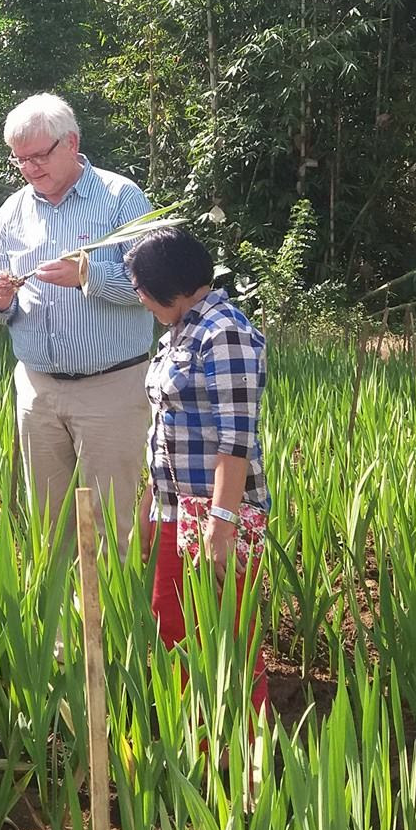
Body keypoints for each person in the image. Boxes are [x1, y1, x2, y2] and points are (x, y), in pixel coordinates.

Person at [0, 94, 153, 552]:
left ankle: (103, 623)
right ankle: (57, 624)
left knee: (107, 526)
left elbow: (153, 289)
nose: (31, 168)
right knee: (48, 525)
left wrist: (87, 277)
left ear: (71, 142)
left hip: (111, 387)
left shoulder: (120, 198)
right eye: (21, 160)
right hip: (37, 389)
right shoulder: (12, 211)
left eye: (40, 155)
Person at [125, 226, 272, 711]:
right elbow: (163, 433)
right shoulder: (179, 332)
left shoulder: (223, 332)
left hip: (213, 513)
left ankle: (241, 752)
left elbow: (236, 440)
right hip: (174, 509)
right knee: (172, 627)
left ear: (167, 286)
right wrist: (149, 507)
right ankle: (190, 744)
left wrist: (220, 526)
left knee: (225, 633)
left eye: (142, 290)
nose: (141, 300)